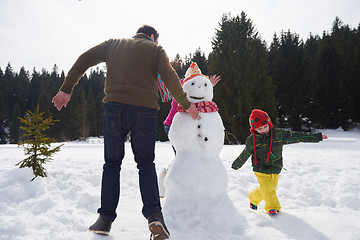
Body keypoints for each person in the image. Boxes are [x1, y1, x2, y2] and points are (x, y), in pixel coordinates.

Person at [52, 25, 198, 240]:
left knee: (111, 164)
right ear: (152, 37)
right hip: (145, 111)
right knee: (146, 163)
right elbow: (170, 76)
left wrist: (66, 88)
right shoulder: (155, 50)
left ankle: (105, 219)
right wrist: (186, 103)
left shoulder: (113, 44)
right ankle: (154, 215)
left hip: (114, 110)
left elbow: (85, 58)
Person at [231, 109, 328, 216]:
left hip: (275, 167)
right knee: (268, 190)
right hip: (260, 168)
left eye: (265, 126)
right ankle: (272, 208)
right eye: (259, 128)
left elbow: (297, 136)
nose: (263, 130)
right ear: (254, 129)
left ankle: (253, 198)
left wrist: (317, 137)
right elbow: (245, 153)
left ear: (269, 124)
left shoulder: (279, 135)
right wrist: (236, 165)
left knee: (267, 189)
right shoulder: (252, 140)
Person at [163, 74, 221, 153]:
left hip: (185, 125)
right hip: (173, 125)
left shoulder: (190, 88)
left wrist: (208, 87)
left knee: (190, 155)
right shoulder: (182, 87)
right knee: (184, 155)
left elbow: (203, 100)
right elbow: (193, 101)